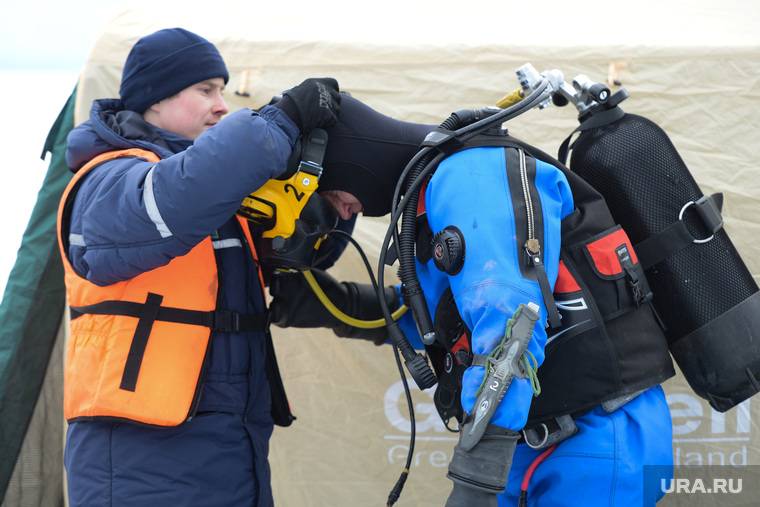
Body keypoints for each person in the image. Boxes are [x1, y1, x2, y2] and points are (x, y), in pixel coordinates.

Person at [269, 95, 677, 505]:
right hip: (535, 441)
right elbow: (438, 323)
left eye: (317, 184)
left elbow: (509, 320)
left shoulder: (469, 173)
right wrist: (321, 303)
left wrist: (474, 481)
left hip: (596, 440)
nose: (334, 210)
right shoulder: (426, 198)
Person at [57, 27, 342, 506]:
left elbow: (294, 252)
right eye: (205, 90)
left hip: (231, 454)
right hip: (139, 470)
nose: (222, 105)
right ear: (154, 101)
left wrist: (328, 197)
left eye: (223, 91)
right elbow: (174, 198)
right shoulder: (106, 179)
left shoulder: (219, 191)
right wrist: (277, 122)